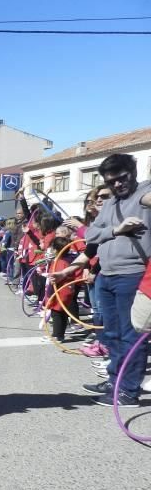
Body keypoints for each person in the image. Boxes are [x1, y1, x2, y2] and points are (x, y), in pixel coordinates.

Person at [83, 153, 151, 407]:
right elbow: (91, 232)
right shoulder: (111, 203)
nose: (118, 185)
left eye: (122, 179)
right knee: (111, 335)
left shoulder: (144, 192)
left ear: (133, 172)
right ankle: (115, 381)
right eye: (111, 182)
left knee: (130, 335)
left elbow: (147, 199)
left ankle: (129, 391)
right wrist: (116, 230)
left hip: (132, 275)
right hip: (106, 275)